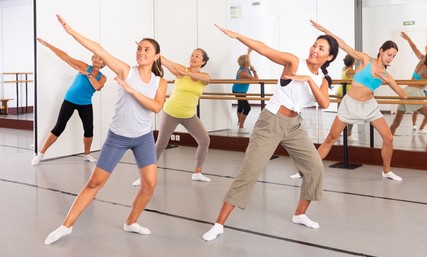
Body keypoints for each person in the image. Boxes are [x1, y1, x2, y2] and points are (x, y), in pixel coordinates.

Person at [202, 23, 339, 242]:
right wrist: (238, 35)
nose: (314, 50)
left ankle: (300, 214)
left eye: (321, 48)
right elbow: (265, 49)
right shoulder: (294, 61)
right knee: (250, 172)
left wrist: (308, 81)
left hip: (294, 126)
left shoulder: (321, 81)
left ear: (329, 57)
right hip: (271, 122)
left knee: (314, 167)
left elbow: (324, 102)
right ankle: (219, 224)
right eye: (314, 45)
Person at [44, 14, 167, 245]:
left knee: (149, 184)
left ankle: (131, 222)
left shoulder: (160, 82)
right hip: (118, 137)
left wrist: (132, 92)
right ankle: (66, 226)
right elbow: (99, 49)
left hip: (142, 138)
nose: (141, 52)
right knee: (94, 184)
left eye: (147, 49)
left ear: (156, 56)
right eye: (139, 48)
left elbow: (157, 107)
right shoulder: (125, 71)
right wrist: (71, 32)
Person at [310, 20, 407, 182]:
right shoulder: (365, 60)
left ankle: (387, 171)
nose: (391, 58)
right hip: (350, 105)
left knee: (388, 138)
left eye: (394, 57)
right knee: (330, 138)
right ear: (381, 51)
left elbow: (403, 95)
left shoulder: (386, 76)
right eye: (389, 54)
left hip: (369, 107)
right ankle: (307, 170)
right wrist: (325, 30)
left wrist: (389, 81)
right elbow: (343, 45)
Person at [132, 49, 212, 186]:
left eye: (197, 56)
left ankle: (197, 172)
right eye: (192, 54)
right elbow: (165, 61)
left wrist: (187, 73)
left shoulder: (204, 76)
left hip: (189, 116)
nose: (193, 57)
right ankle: (145, 176)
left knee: (205, 140)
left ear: (203, 61)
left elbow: (206, 79)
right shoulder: (180, 69)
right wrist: (149, 51)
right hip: (171, 113)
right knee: (161, 144)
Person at [31, 38, 107, 165]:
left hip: (85, 103)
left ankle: (87, 154)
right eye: (94, 57)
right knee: (59, 127)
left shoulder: (103, 77)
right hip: (70, 100)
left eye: (99, 58)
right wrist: (48, 44)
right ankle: (41, 154)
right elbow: (65, 57)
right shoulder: (84, 66)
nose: (95, 59)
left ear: (103, 63)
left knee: (89, 129)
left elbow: (98, 87)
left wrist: (88, 75)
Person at [390, 32, 427, 136]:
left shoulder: (422, 58)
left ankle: (387, 142)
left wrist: (408, 39)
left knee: (396, 122)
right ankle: (426, 151)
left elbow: (414, 48)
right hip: (414, 93)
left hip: (406, 90)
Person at [232, 48, 259, 134]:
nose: (250, 61)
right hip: (238, 91)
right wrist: (254, 70)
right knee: (247, 108)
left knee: (241, 106)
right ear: (247, 63)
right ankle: (241, 127)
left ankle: (240, 121)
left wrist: (249, 51)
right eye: (249, 60)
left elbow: (247, 57)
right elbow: (257, 80)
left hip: (241, 90)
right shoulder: (242, 72)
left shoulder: (245, 66)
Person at [337, 54, 357, 141]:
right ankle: (348, 133)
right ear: (353, 62)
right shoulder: (350, 72)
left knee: (341, 114)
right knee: (350, 114)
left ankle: (340, 133)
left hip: (340, 93)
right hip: (346, 94)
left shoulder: (344, 69)